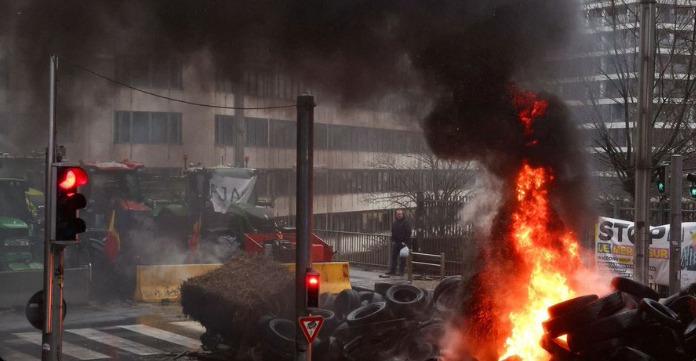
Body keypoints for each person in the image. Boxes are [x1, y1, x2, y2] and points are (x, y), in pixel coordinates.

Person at [386, 209, 412, 276]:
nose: (399, 215)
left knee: (402, 258)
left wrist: (405, 242)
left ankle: (401, 271)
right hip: (396, 242)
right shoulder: (395, 222)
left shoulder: (406, 222)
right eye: (398, 214)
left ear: (402, 214)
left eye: (400, 214)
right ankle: (393, 270)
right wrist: (393, 240)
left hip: (403, 243)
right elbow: (393, 231)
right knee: (393, 257)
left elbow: (408, 233)